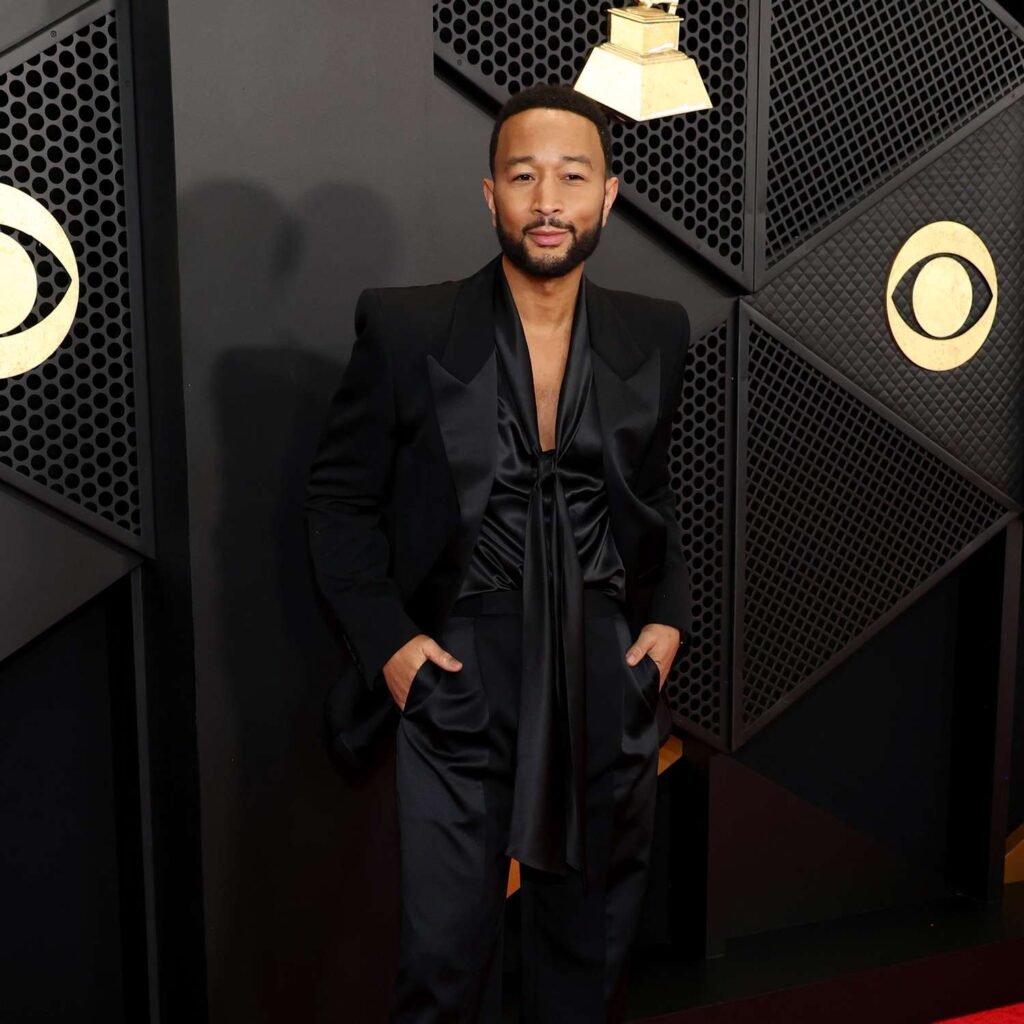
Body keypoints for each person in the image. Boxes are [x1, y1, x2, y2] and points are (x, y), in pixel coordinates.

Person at [305, 83, 692, 1024]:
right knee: (444, 962)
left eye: (572, 177)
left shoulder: (656, 330)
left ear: (609, 195)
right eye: (524, 177)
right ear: (491, 196)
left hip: (605, 669)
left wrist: (667, 623)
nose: (548, 201)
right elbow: (339, 501)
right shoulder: (407, 328)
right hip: (460, 671)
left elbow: (658, 490)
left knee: (587, 956)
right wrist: (392, 649)